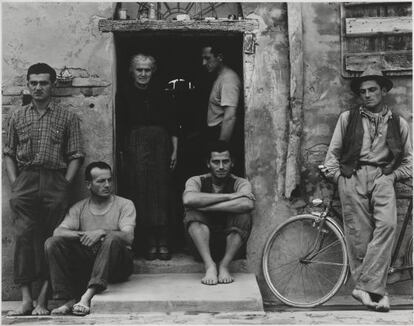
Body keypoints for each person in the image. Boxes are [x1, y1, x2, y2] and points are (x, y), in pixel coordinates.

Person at [323, 67, 412, 312]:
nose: (367, 94)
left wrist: (392, 176)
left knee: (387, 226)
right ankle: (378, 294)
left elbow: (409, 162)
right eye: (363, 91)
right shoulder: (347, 118)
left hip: (384, 177)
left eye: (372, 89)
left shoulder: (398, 122)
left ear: (383, 91)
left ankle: (364, 287)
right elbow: (332, 156)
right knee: (359, 235)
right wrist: (340, 178)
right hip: (352, 175)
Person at [3, 63, 84, 316]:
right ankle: (26, 300)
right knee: (25, 239)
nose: (38, 88)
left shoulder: (66, 116)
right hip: (25, 182)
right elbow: (9, 154)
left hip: (54, 181)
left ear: (53, 85)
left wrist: (65, 184)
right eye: (34, 83)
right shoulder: (17, 116)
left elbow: (76, 155)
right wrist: (16, 184)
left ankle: (43, 301)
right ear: (28, 85)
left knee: (53, 240)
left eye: (44, 83)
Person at [45, 162, 136, 316]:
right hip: (90, 264)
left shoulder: (125, 204)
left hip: (119, 265)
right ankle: (66, 299)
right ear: (88, 184)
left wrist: (101, 232)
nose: (107, 185)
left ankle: (87, 296)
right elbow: (58, 232)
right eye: (101, 181)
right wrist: (86, 235)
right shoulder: (79, 207)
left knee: (112, 238)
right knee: (52, 243)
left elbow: (128, 237)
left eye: (109, 180)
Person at [117, 54, 178, 260]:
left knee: (162, 192)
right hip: (136, 146)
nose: (143, 74)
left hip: (161, 145)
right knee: (141, 192)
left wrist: (175, 150)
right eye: (139, 70)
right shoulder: (123, 94)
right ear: (131, 71)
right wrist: (124, 153)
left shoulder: (163, 93)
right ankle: (150, 242)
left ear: (153, 71)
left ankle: (164, 240)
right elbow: (121, 127)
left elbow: (172, 124)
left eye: (147, 70)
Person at [183, 140, 254, 285]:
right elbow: (189, 199)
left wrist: (207, 206)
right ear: (208, 163)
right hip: (201, 246)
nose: (221, 167)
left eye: (225, 161)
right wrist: (230, 196)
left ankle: (224, 266)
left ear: (232, 162)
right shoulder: (196, 181)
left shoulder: (240, 182)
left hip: (231, 246)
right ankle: (209, 265)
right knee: (192, 215)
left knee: (244, 216)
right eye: (216, 162)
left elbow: (247, 203)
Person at [201, 44, 241, 143]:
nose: (204, 63)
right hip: (215, 131)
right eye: (203, 59)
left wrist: (221, 146)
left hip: (221, 133)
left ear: (219, 58)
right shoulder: (220, 77)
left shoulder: (228, 79)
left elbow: (230, 117)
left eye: (207, 58)